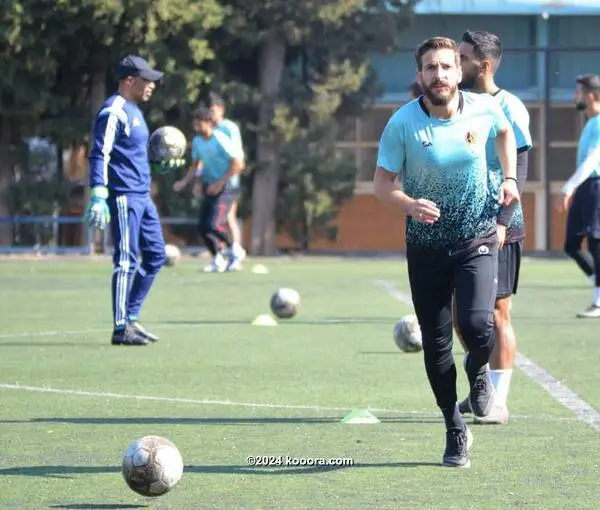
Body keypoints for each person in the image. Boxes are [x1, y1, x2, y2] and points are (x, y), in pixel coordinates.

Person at [373, 36, 519, 468]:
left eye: (446, 66)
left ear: (460, 71)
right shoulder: (401, 124)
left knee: (478, 325)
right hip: (426, 248)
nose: (439, 74)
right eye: (430, 68)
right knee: (437, 348)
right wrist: (408, 204)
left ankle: (478, 372)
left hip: (476, 238)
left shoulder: (484, 108)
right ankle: (455, 428)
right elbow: (383, 185)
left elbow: (507, 133)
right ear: (420, 76)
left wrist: (509, 177)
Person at [454, 30, 532, 425]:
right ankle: (480, 388)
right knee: (461, 315)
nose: (456, 62)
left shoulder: (510, 106)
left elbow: (517, 168)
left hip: (500, 224)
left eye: (463, 57)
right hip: (462, 225)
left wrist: (502, 221)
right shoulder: (460, 103)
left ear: (483, 65)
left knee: (498, 314)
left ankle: (498, 401)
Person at [86, 55, 176, 346]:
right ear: (129, 80)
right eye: (147, 80)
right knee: (125, 259)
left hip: (143, 196)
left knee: (155, 256)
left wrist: (158, 166)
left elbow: (132, 154)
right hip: (123, 196)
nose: (152, 86)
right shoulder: (113, 110)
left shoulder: (135, 111)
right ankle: (120, 327)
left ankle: (132, 318)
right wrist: (99, 192)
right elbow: (101, 152)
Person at [173, 107, 244, 272]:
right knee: (203, 227)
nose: (196, 126)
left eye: (199, 123)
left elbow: (237, 163)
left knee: (214, 224)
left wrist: (220, 183)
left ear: (208, 123)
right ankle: (218, 259)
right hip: (209, 185)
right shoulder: (197, 141)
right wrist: (186, 182)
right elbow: (196, 164)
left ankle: (235, 248)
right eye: (195, 123)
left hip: (227, 187)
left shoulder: (220, 139)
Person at [557, 74, 600, 318]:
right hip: (586, 188)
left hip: (595, 185)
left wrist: (568, 187)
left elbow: (594, 159)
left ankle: (598, 300)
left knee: (595, 240)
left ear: (590, 96)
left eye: (578, 93)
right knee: (572, 244)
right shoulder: (590, 123)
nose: (576, 97)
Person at [205, 92, 247, 268]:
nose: (211, 115)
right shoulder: (208, 129)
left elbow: (237, 156)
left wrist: (227, 178)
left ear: (221, 110)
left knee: (227, 217)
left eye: (213, 111)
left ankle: (236, 255)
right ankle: (220, 257)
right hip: (212, 182)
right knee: (214, 220)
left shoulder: (229, 128)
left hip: (228, 182)